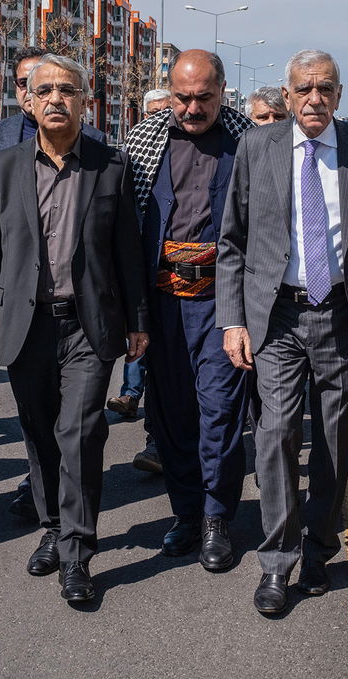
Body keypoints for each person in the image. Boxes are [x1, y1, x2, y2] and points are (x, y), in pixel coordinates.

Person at [0, 55, 148, 604]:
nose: (56, 99)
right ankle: (52, 527)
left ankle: (78, 552)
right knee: (40, 434)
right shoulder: (4, 167)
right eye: (46, 90)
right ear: (27, 100)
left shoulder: (109, 166)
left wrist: (137, 321)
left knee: (82, 432)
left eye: (68, 90)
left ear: (85, 101)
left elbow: (127, 251)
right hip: (27, 324)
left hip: (88, 326)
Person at [217, 49, 348, 615]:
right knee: (274, 437)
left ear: (339, 95)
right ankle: (277, 561)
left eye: (325, 88)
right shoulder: (256, 147)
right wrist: (234, 320)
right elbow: (232, 241)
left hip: (344, 315)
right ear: (288, 96)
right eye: (303, 89)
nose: (314, 99)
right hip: (277, 317)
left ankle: (319, 547)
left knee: (334, 443)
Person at [123, 50, 255, 571]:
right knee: (171, 416)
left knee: (220, 414)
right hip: (160, 303)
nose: (193, 107)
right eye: (183, 97)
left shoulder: (249, 140)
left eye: (204, 97)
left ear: (222, 91)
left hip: (224, 302)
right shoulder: (143, 140)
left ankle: (219, 518)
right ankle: (186, 514)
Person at [104, 87, 173, 420]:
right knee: (139, 326)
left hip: (172, 262)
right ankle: (130, 394)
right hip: (139, 256)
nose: (160, 119)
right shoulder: (134, 149)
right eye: (154, 113)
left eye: (166, 111)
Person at [0, 47, 107, 178]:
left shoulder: (94, 138)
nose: (30, 89)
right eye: (24, 82)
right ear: (15, 86)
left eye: (43, 86)